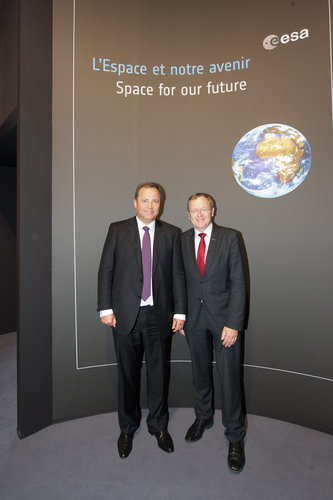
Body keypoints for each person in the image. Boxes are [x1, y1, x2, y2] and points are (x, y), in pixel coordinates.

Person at [97, 182, 187, 459]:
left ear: (161, 204)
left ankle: (158, 426)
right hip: (124, 315)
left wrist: (180, 312)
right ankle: (127, 427)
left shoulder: (172, 233)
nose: (150, 206)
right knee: (127, 374)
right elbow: (106, 271)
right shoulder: (117, 229)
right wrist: (105, 309)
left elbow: (177, 276)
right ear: (134, 202)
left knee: (158, 373)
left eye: (155, 201)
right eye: (145, 200)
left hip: (157, 315)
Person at [180, 192, 247, 473]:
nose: (199, 214)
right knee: (200, 373)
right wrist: (181, 316)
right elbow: (179, 279)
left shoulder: (231, 238)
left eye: (203, 209)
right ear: (188, 214)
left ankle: (234, 437)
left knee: (229, 378)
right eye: (193, 210)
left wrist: (233, 323)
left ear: (213, 210)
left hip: (224, 323)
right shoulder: (182, 240)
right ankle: (203, 417)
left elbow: (240, 283)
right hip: (194, 320)